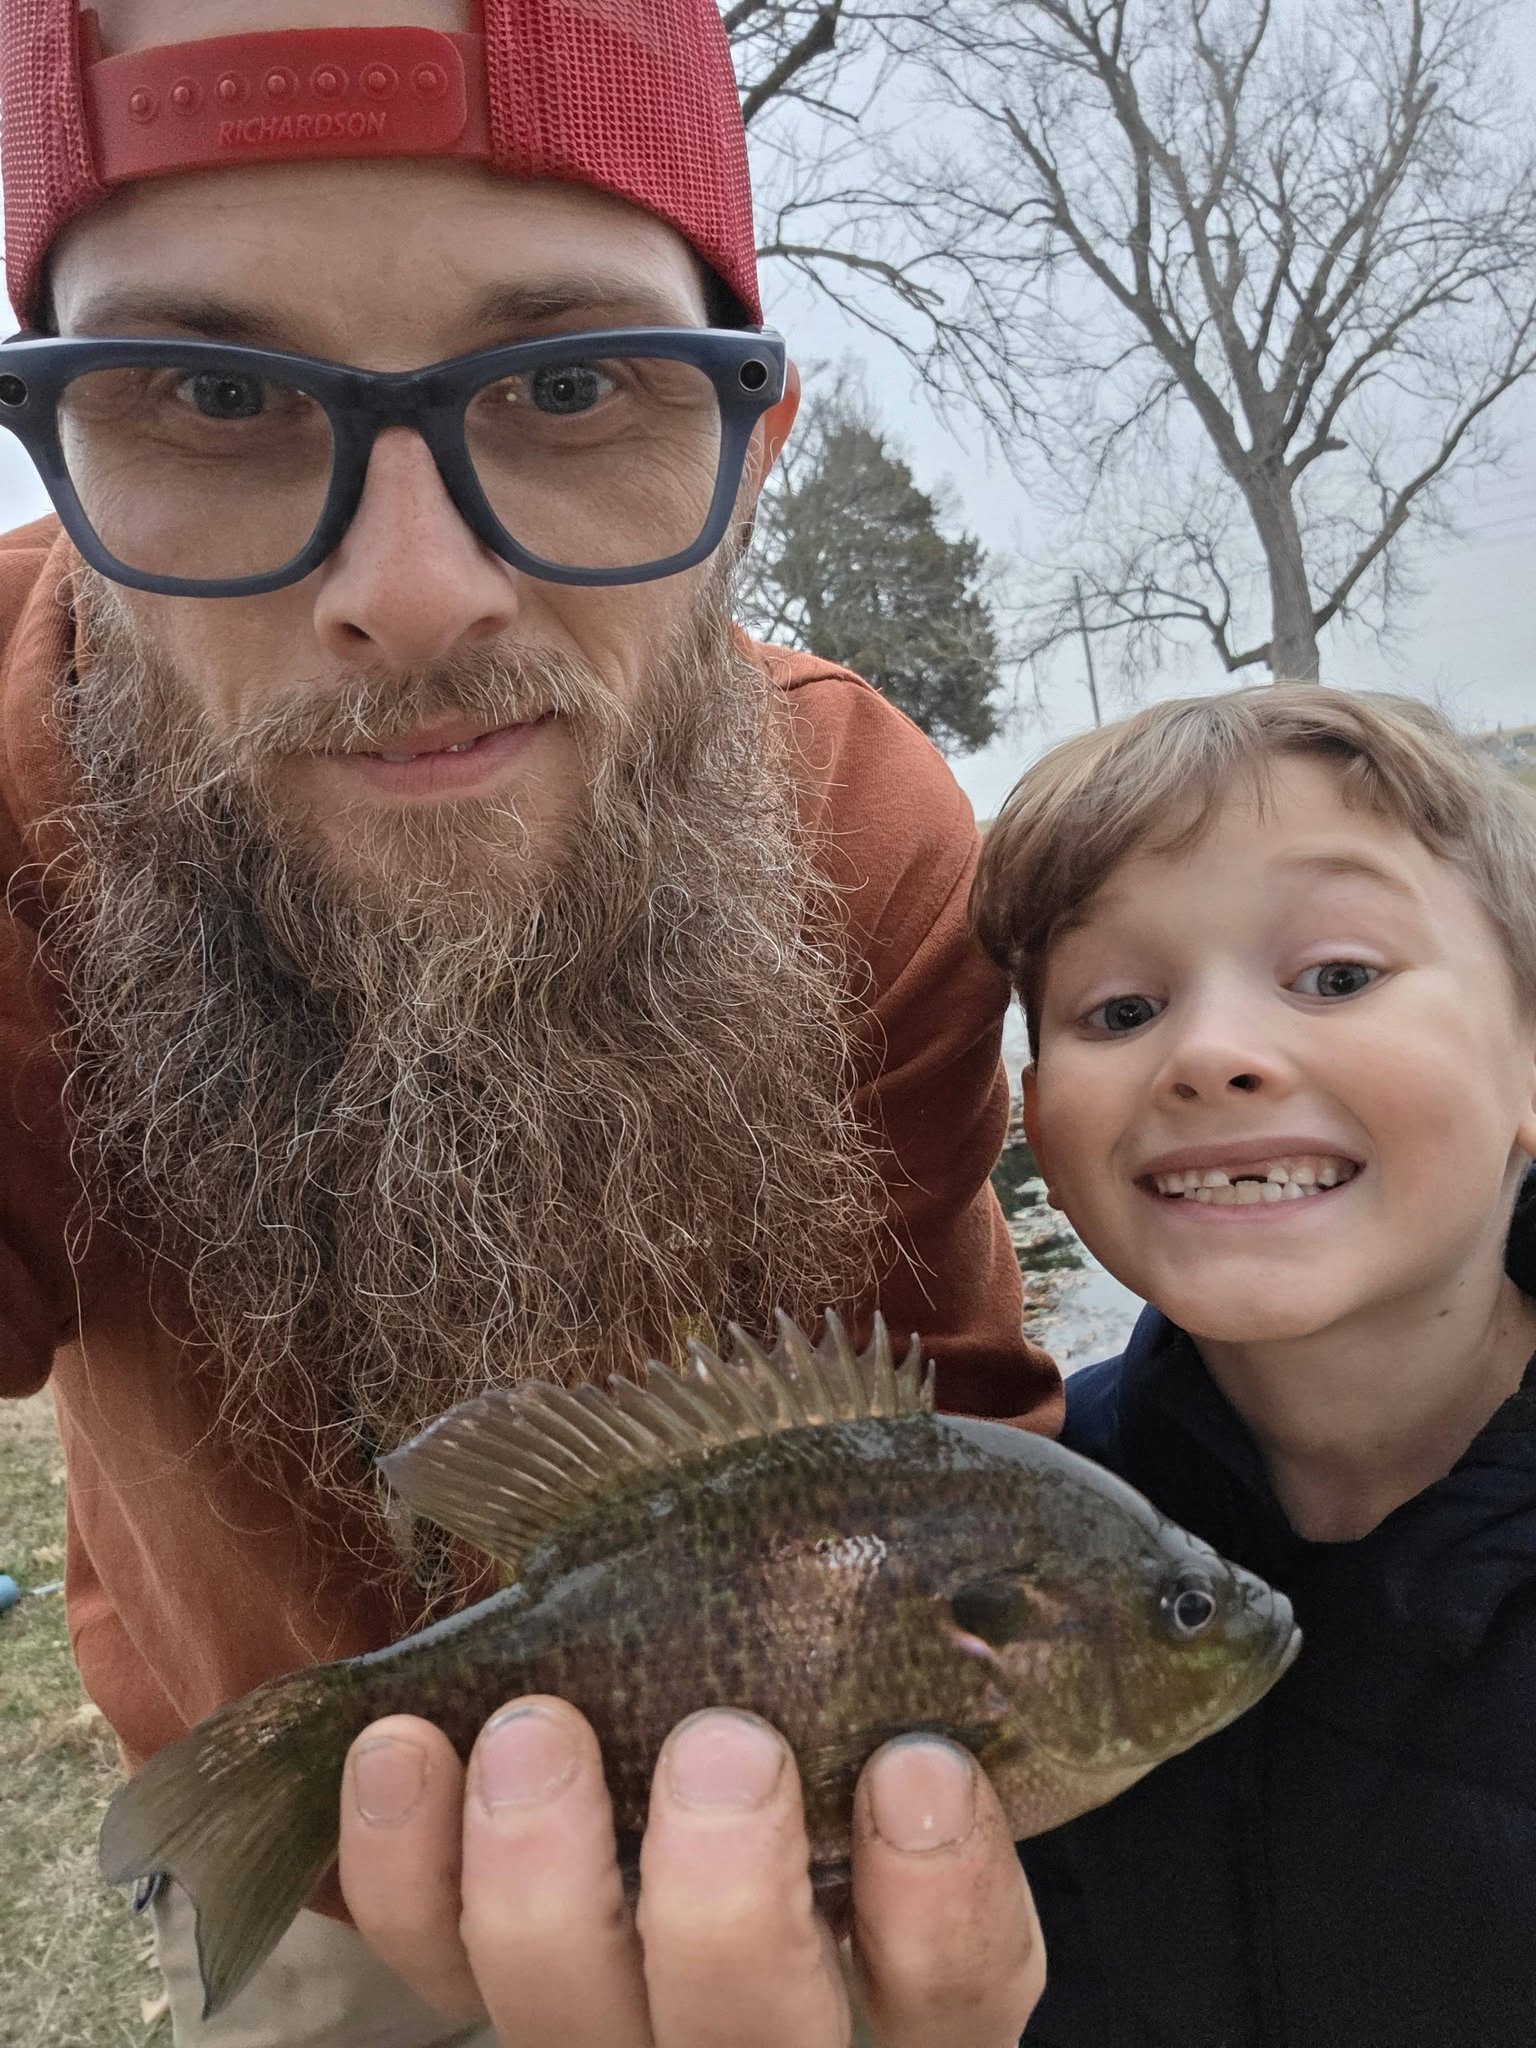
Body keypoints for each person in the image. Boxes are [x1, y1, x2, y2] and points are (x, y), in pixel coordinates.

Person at [0, 1, 1054, 2041]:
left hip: (779, 1824)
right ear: (60, 442)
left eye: (569, 382)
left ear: (749, 451)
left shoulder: (876, 847)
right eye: (212, 394)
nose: (414, 593)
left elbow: (944, 1435)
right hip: (298, 1841)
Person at [971, 683, 1536, 2047]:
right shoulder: (1007, 1516)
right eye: (1121, 1009)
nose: (1211, 1055)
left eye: (1337, 976)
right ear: (1038, 1125)